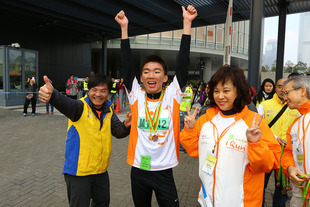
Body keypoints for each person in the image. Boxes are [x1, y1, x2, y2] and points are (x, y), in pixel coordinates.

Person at [115, 5, 197, 207]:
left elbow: (183, 65)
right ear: (141, 78)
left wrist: (187, 24)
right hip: (139, 170)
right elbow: (127, 66)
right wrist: (124, 29)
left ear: (165, 78)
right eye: (146, 72)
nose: (151, 75)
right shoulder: (135, 95)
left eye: (157, 71)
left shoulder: (172, 95)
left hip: (164, 170)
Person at [180, 65, 281, 207]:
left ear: (238, 91)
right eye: (216, 91)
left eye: (226, 91)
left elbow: (268, 164)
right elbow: (194, 150)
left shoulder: (254, 122)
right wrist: (190, 130)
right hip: (208, 200)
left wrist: (255, 144)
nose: (220, 96)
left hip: (242, 202)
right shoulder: (205, 119)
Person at [38, 74, 132, 207]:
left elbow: (117, 131)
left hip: (100, 171)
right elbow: (65, 103)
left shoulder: (108, 109)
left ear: (108, 92)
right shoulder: (79, 107)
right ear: (88, 91)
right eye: (94, 90)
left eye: (103, 91)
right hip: (79, 173)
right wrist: (52, 95)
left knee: (102, 202)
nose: (98, 94)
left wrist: (125, 126)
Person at [258, 78, 300, 207]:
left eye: (286, 88)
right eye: (280, 87)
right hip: (267, 152)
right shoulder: (263, 105)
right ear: (276, 88)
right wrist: (274, 137)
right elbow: (257, 127)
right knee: (260, 187)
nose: (283, 90)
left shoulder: (296, 107)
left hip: (285, 155)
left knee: (282, 189)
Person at [281, 76, 310, 207]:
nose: (284, 98)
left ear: (303, 91)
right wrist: (290, 168)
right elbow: (287, 153)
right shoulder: (294, 125)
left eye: (287, 93)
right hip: (299, 192)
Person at [179, 82, 193, 153]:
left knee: (181, 130)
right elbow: (191, 100)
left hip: (181, 111)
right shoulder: (190, 90)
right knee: (187, 130)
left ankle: (182, 147)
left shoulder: (181, 90)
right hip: (187, 112)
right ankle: (187, 146)